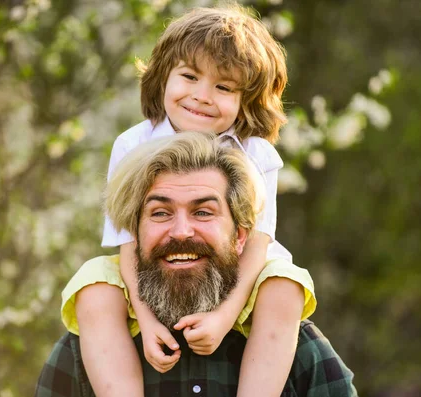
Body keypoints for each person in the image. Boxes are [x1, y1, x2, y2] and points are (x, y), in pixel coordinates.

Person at [64, 4, 318, 396]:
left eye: (224, 87)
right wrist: (146, 322)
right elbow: (128, 241)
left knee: (285, 286)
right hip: (148, 267)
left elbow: (258, 244)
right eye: (189, 77)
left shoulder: (257, 154)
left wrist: (224, 316)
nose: (202, 97)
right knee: (93, 288)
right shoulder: (133, 143)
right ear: (164, 76)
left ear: (245, 99)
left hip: (239, 271)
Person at [36, 132, 357, 397]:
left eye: (203, 212)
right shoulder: (82, 355)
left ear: (241, 236)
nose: (181, 231)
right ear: (134, 234)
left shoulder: (296, 351)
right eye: (160, 213)